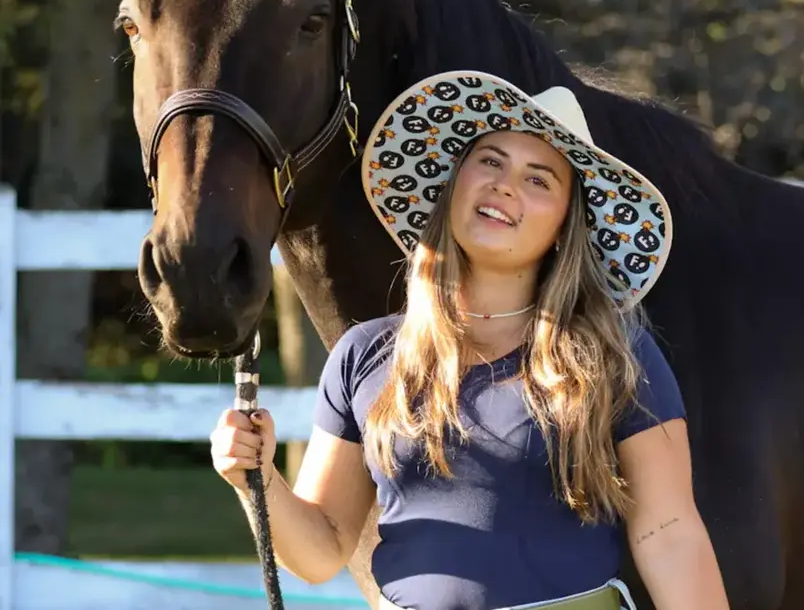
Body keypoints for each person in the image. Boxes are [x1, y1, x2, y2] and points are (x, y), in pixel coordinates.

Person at [210, 71, 730, 610]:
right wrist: (256, 480)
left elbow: (668, 533)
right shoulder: (363, 357)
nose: (505, 185)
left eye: (539, 179)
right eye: (490, 161)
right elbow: (322, 551)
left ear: (563, 227)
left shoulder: (613, 355)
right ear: (453, 183)